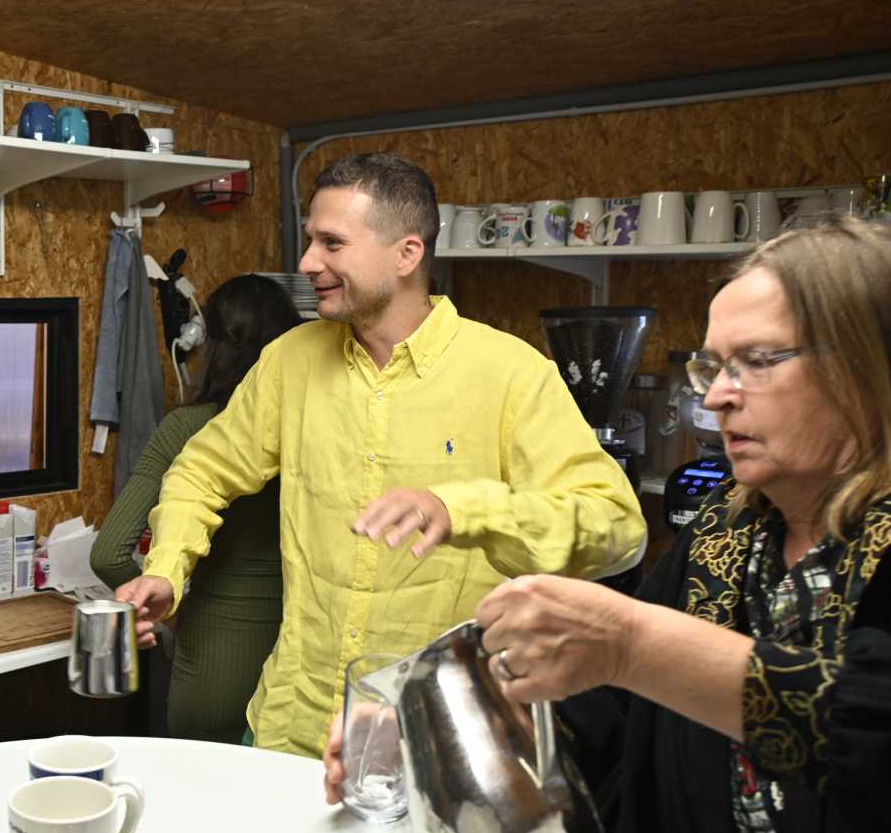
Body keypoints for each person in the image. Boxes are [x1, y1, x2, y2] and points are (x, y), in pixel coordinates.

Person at [325, 219, 891, 833]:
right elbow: (610, 719)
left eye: (758, 361)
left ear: (881, 364)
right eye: (714, 367)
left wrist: (632, 644)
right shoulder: (732, 532)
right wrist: (434, 725)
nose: (717, 398)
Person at [115, 152, 645, 757]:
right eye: (311, 239)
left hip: (439, 739)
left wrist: (466, 510)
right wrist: (167, 569)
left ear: (407, 254)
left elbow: (617, 526)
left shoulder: (510, 374)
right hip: (294, 727)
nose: (307, 262)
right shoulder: (290, 361)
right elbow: (201, 470)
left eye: (332, 243)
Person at [91, 274, 302, 743]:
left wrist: (162, 605)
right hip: (299, 674)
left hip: (213, 667)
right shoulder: (311, 426)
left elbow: (107, 553)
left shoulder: (186, 428)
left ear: (214, 347)